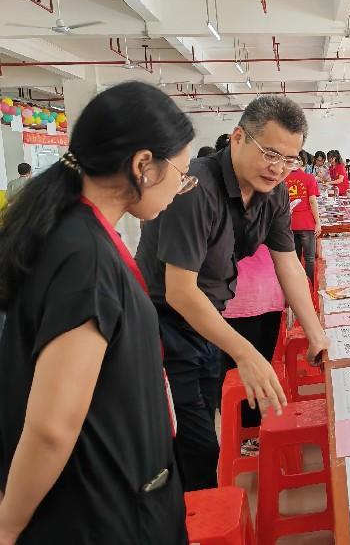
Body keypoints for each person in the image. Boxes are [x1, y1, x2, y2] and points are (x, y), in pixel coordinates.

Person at [0, 82, 194, 543]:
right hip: (99, 511)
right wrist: (7, 524)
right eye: (180, 174)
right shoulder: (85, 258)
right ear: (143, 165)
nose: (180, 188)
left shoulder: (75, 231)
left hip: (111, 490)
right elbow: (52, 427)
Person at [136, 95, 329, 491]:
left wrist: (316, 334)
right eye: (270, 154)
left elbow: (288, 263)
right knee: (191, 443)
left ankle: (195, 505)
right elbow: (180, 292)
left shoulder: (274, 193)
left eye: (289, 159)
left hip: (208, 320)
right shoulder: (196, 188)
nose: (278, 168)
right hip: (162, 327)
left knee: (205, 427)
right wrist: (246, 353)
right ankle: (187, 514)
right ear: (238, 137)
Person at [219, 246, 285, 446]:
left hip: (270, 293)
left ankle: (255, 431)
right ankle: (244, 436)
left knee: (261, 370)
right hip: (235, 299)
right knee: (238, 379)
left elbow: (285, 252)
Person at [285, 164, 321, 281]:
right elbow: (312, 201)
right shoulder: (309, 177)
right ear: (303, 165)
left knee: (294, 258)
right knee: (309, 258)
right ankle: (310, 284)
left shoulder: (283, 178)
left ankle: (296, 283)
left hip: (289, 223)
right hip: (306, 222)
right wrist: (318, 222)